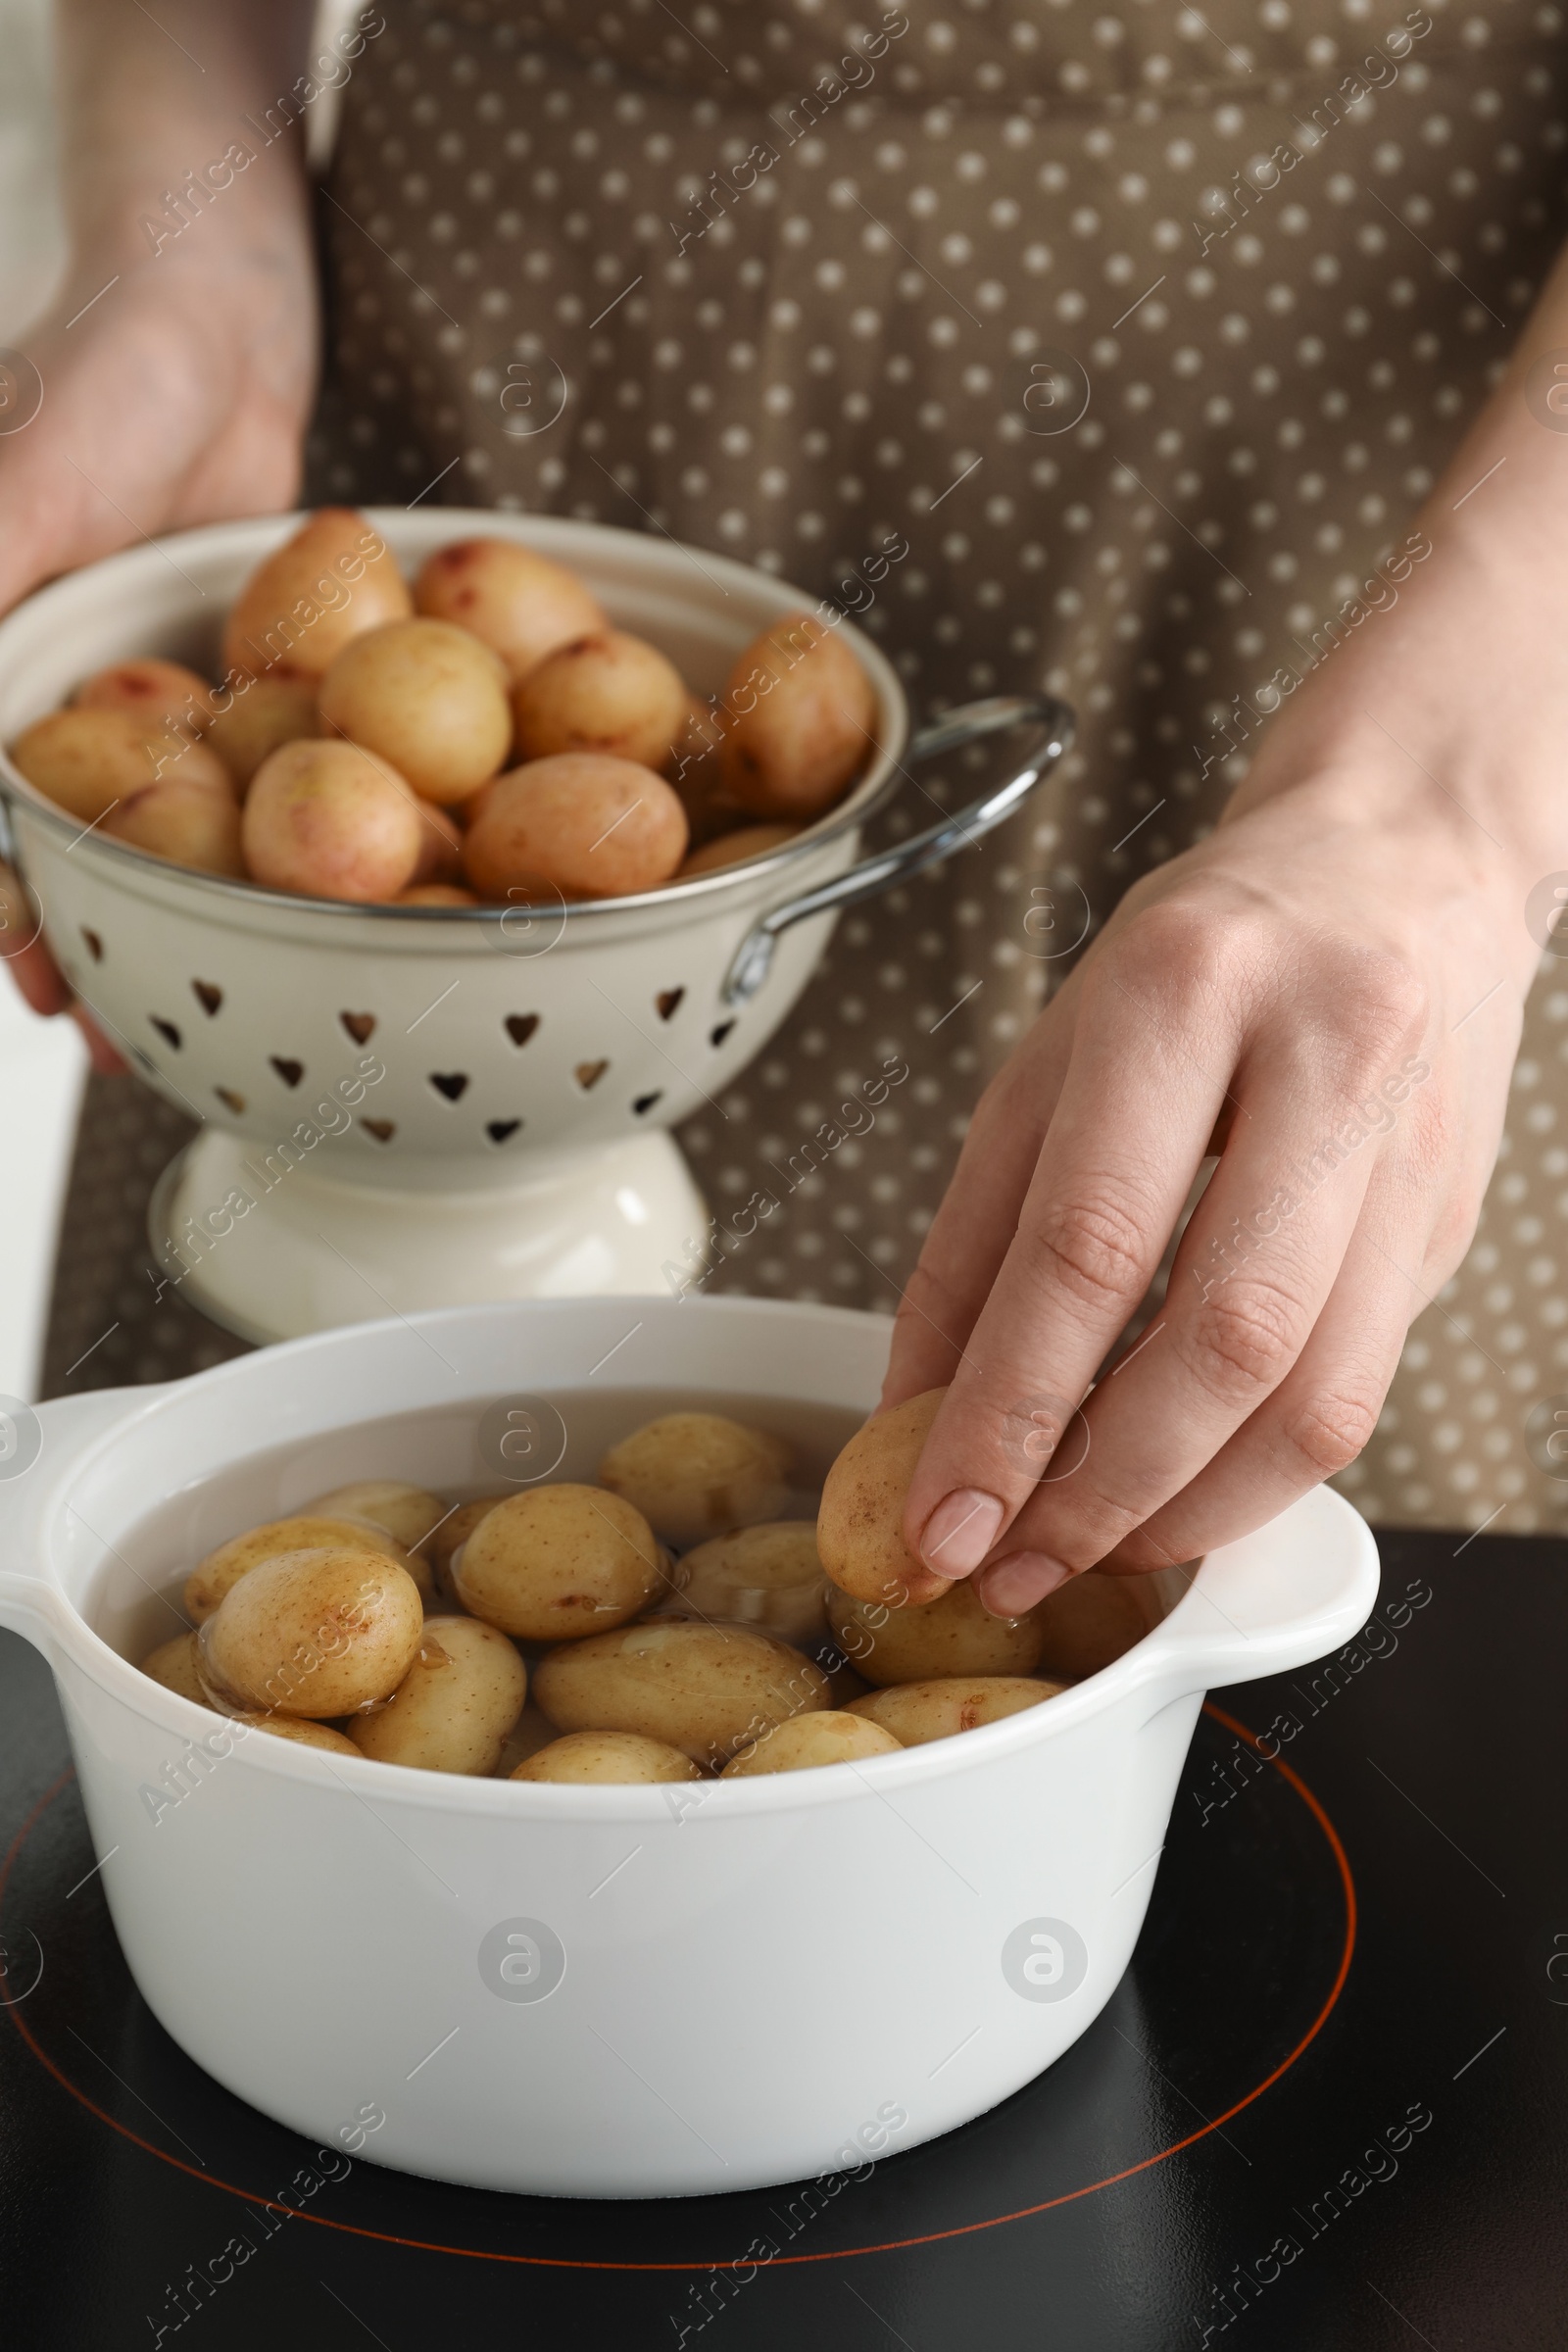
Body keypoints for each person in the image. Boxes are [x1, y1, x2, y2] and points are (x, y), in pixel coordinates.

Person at [3, 0, 1565, 1586]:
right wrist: (196, 245)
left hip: (1380, 551)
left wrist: (1433, 802)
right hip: (483, 357)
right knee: (244, 1610)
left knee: (1215, 1481)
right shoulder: (349, 694)